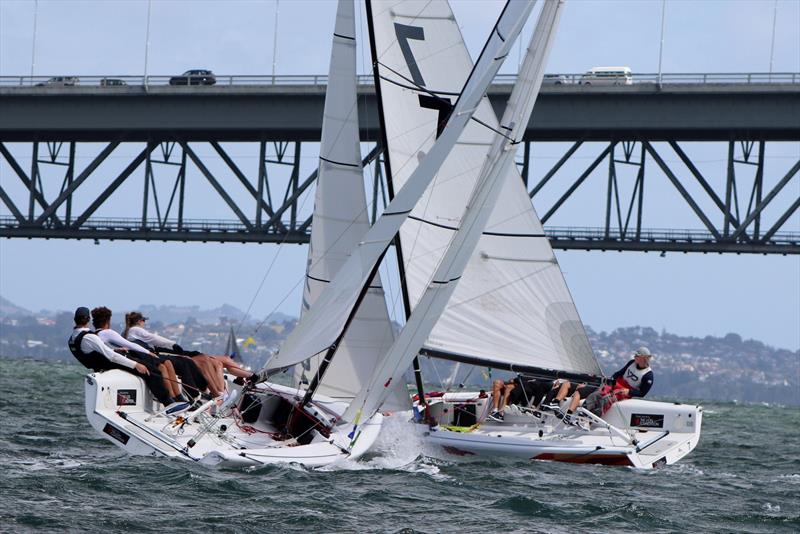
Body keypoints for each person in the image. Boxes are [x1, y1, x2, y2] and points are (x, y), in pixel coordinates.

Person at [68, 307, 190, 415]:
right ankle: (168, 403)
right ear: (88, 319)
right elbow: (111, 356)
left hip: (100, 365)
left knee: (148, 368)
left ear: (75, 320)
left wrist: (116, 350)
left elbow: (93, 353)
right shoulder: (90, 337)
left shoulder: (73, 338)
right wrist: (136, 364)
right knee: (150, 370)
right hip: (110, 363)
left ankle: (167, 399)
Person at [123, 311, 257, 397]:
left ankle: (248, 377)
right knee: (207, 361)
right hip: (166, 355)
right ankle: (218, 394)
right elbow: (154, 338)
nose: (145, 323)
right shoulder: (135, 330)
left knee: (220, 360)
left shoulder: (133, 334)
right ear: (140, 321)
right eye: (144, 321)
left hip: (171, 353)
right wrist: (173, 344)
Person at [91, 306, 209, 401]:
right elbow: (132, 345)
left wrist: (116, 350)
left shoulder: (95, 335)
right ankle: (174, 398)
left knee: (166, 364)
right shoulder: (109, 332)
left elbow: (112, 348)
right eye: (143, 320)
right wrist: (149, 351)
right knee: (163, 366)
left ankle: (177, 397)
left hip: (107, 363)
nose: (144, 322)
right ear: (108, 321)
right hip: (135, 356)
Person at [551, 347, 655, 424]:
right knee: (597, 394)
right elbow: (619, 373)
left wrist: (629, 392)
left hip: (626, 390)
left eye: (637, 356)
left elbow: (642, 393)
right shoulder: (632, 363)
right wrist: (610, 379)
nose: (634, 357)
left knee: (606, 400)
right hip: (617, 383)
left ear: (643, 358)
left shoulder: (648, 376)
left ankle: (589, 421)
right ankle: (582, 414)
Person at [489, 375, 554, 421]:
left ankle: (501, 413)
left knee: (509, 387)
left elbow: (537, 379)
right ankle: (495, 410)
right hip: (519, 380)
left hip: (526, 383)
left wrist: (515, 380)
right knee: (497, 382)